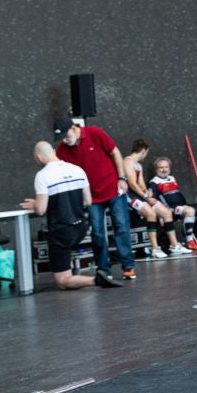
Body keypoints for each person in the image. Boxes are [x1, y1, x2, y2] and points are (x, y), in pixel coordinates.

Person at [19, 142, 121, 290]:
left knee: (62, 281)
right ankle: (75, 270)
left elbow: (40, 210)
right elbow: (88, 201)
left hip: (61, 232)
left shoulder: (42, 176)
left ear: (38, 158)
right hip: (80, 228)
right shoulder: (77, 169)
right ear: (54, 151)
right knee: (66, 254)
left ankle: (96, 280)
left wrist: (35, 203)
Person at [53, 117, 137, 281]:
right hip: (91, 197)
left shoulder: (95, 133)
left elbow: (115, 153)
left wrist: (122, 178)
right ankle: (103, 269)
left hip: (113, 188)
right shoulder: (62, 150)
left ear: (73, 128)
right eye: (61, 137)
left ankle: (128, 266)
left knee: (121, 226)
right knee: (97, 233)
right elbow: (57, 169)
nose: (64, 140)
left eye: (66, 135)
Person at [124, 139, 187, 258]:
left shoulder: (138, 165)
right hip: (129, 195)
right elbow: (132, 184)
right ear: (143, 151)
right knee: (151, 214)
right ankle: (155, 248)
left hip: (139, 194)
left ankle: (174, 245)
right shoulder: (128, 161)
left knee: (167, 213)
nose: (146, 156)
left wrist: (147, 193)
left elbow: (141, 184)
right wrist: (145, 196)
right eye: (146, 153)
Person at [150, 156, 197, 250]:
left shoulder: (172, 178)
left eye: (166, 167)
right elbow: (152, 200)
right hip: (171, 209)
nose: (164, 170)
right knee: (190, 211)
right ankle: (189, 241)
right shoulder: (153, 182)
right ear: (156, 169)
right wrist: (161, 214)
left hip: (183, 206)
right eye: (161, 167)